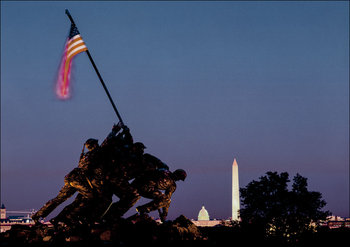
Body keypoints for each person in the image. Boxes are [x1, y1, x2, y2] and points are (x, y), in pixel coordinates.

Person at [32, 138, 105, 223]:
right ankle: (71, 217)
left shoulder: (85, 155)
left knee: (59, 199)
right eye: (96, 144)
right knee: (91, 197)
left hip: (71, 177)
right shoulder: (95, 154)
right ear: (94, 145)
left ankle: (37, 215)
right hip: (79, 180)